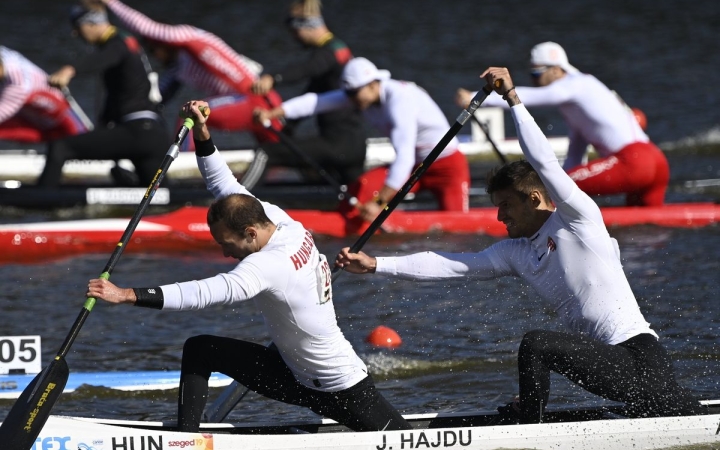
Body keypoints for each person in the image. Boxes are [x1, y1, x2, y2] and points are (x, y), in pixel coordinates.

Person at [336, 67, 702, 424]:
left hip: (639, 359)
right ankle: (534, 414)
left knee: (537, 343)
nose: (499, 218)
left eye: (505, 206)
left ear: (534, 198)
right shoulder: (515, 253)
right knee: (543, 350)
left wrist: (512, 98)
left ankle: (530, 424)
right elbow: (447, 264)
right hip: (609, 368)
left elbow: (544, 161)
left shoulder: (578, 220)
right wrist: (375, 265)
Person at [86, 99, 412, 433]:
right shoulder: (278, 219)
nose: (227, 254)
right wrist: (201, 131)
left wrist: (128, 294)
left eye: (228, 245)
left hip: (340, 387)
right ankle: (187, 439)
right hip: (294, 375)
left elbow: (207, 292)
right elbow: (223, 184)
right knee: (201, 349)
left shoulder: (269, 264)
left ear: (250, 233)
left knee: (403, 441)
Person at [255, 57, 470, 226]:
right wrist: (273, 113)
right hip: (415, 167)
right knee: (362, 186)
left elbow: (403, 157)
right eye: (347, 93)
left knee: (457, 228)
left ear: (373, 84)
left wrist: (379, 202)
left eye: (353, 93)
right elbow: (316, 102)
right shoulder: (359, 94)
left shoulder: (399, 101)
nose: (349, 99)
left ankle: (377, 219)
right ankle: (342, 224)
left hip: (446, 166)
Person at [456, 42, 669, 207]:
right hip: (656, 162)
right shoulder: (579, 104)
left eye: (536, 74)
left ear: (556, 70)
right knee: (644, 227)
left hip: (635, 162)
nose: (533, 80)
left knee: (555, 187)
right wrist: (561, 184)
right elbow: (576, 154)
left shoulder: (575, 84)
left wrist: (477, 98)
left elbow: (540, 96)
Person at [101, 0, 283, 147]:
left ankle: (180, 164)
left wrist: (110, 3)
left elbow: (146, 28)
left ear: (163, 41)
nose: (154, 56)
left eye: (152, 49)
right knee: (275, 153)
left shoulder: (189, 37)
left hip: (255, 99)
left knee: (190, 114)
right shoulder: (179, 66)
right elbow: (156, 101)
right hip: (246, 103)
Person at [40, 4, 168, 187]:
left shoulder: (117, 44)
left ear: (92, 24)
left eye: (77, 27)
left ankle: (43, 201)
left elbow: (104, 58)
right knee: (158, 194)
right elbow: (118, 94)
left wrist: (70, 70)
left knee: (60, 147)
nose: (75, 34)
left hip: (138, 133)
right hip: (151, 135)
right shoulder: (126, 41)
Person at [247, 0, 366, 187]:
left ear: (305, 27)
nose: (295, 38)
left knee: (266, 153)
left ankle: (231, 202)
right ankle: (316, 202)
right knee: (347, 191)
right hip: (354, 144)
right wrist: (290, 126)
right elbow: (312, 94)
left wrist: (273, 78)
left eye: (294, 33)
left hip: (337, 144)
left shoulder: (328, 52)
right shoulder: (338, 49)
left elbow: (306, 69)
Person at [0, 46, 90, 143]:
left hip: (58, 122)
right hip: (32, 111)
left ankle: (85, 144)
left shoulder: (18, 85)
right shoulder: (4, 55)